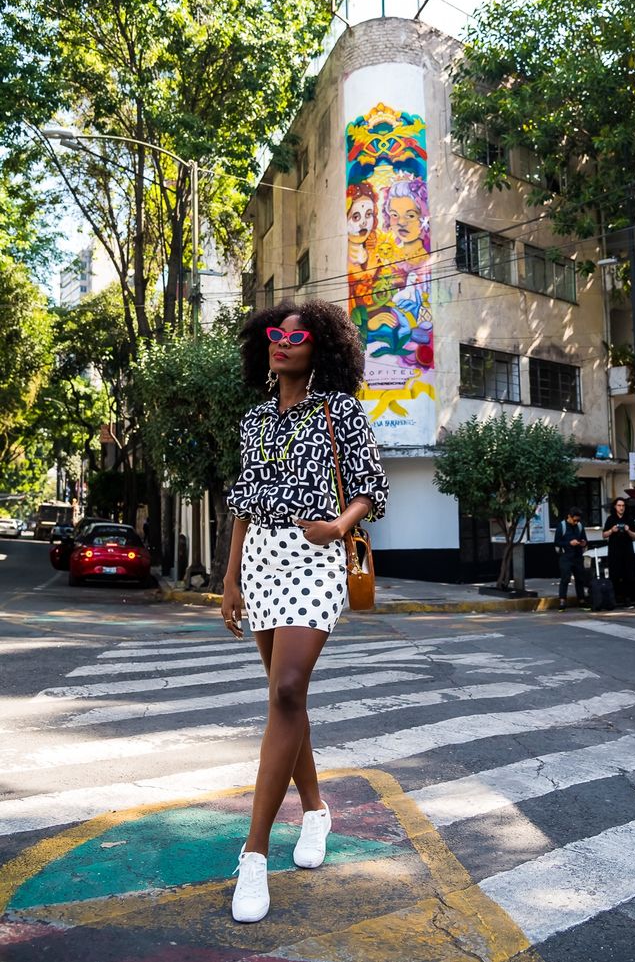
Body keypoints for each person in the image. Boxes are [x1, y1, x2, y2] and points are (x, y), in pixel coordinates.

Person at [221, 299, 389, 924]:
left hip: (314, 558)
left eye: (295, 337)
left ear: (321, 348)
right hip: (261, 557)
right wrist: (231, 579)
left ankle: (255, 855)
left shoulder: (339, 409)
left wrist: (336, 527)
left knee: (288, 687)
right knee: (286, 700)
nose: (281, 343)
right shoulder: (257, 420)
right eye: (273, 335)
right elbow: (243, 500)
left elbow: (372, 484)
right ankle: (316, 811)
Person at [602, 497, 635, 607]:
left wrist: (628, 530)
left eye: (623, 505)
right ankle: (614, 599)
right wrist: (611, 530)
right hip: (614, 551)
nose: (621, 508)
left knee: (628, 576)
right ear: (615, 506)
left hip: (627, 551)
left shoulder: (629, 519)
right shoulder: (610, 519)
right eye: (619, 505)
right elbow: (604, 535)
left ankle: (627, 599)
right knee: (614, 575)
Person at [554, 506, 588, 611]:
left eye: (578, 520)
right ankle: (562, 601)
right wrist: (569, 543)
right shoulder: (562, 526)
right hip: (565, 556)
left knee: (580, 579)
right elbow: (557, 542)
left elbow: (585, 539)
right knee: (565, 578)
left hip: (577, 556)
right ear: (569, 516)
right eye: (575, 520)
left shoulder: (580, 526)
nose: (576, 522)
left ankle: (582, 601)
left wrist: (583, 543)